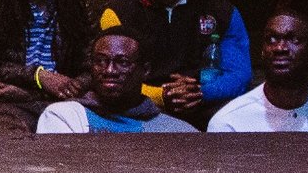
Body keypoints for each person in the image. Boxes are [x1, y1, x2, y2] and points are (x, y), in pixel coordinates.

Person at [104, 0, 251, 124]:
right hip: (138, 110)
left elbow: (239, 74)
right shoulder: (119, 11)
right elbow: (111, 76)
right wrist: (162, 96)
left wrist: (201, 92)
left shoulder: (222, 12)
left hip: (202, 106)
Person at [207, 8, 308, 132]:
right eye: (271, 39)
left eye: (294, 39)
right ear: (262, 51)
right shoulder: (229, 123)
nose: (280, 48)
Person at [34, 25, 199, 134]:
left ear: (145, 70)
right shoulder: (65, 116)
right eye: (100, 61)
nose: (109, 70)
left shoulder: (178, 131)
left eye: (122, 62)